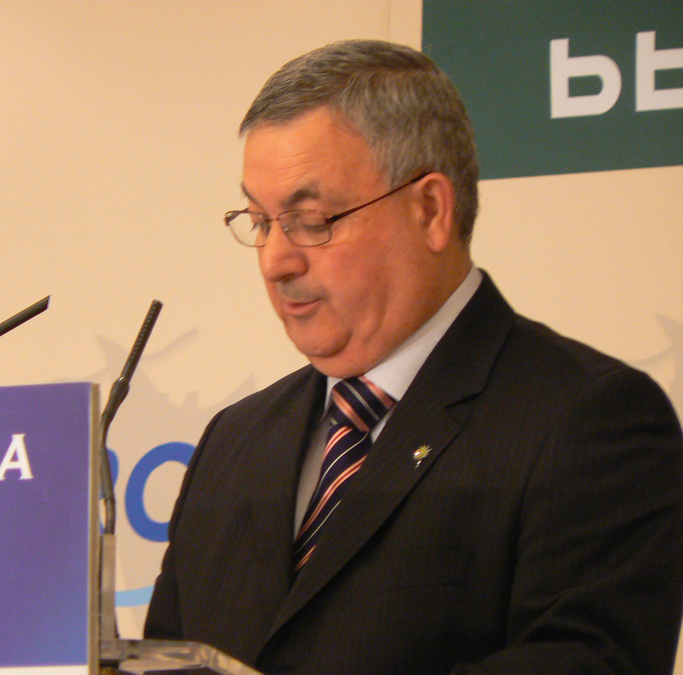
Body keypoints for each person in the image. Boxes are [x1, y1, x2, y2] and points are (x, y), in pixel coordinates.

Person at [144, 39, 683, 675]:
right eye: (260, 221)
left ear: (430, 210)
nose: (275, 261)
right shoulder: (232, 442)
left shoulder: (589, 419)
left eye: (311, 220)